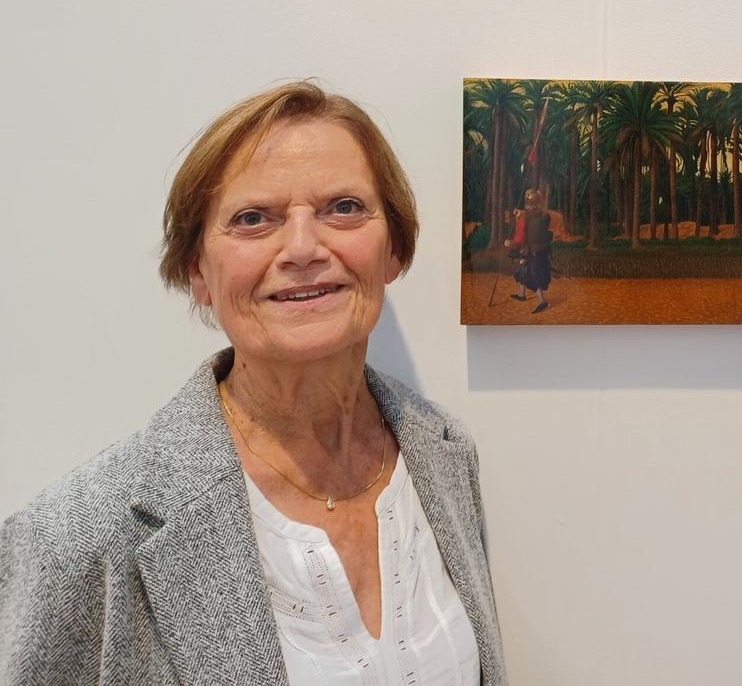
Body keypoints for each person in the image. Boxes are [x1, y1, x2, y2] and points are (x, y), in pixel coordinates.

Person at [0, 82, 508, 685]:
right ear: (197, 271)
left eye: (343, 208)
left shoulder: (443, 450)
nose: (303, 248)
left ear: (393, 247)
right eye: (252, 219)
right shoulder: (81, 536)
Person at [505, 189, 553, 314]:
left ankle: (543, 302)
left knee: (532, 275)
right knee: (522, 269)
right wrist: (521, 213)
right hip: (541, 250)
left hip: (531, 250)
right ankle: (522, 294)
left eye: (529, 201)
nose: (528, 204)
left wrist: (511, 243)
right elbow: (532, 215)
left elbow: (521, 237)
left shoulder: (526, 217)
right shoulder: (544, 215)